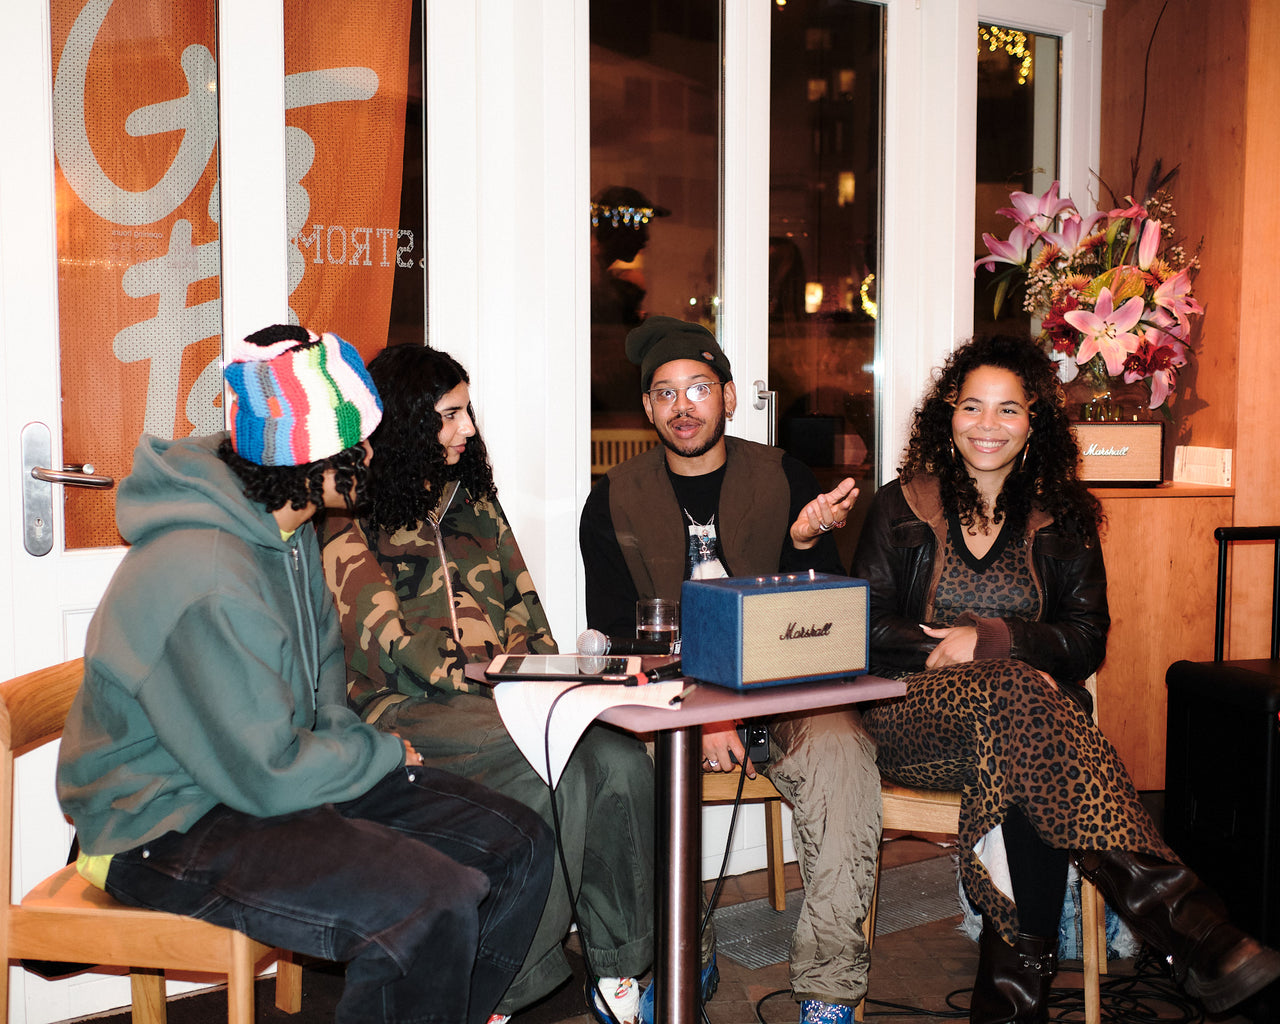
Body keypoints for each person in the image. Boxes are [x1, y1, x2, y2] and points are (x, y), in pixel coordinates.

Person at [56, 324, 553, 1024]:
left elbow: (323, 700)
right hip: (160, 823)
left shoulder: (288, 536)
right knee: (425, 901)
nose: (378, 456)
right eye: (364, 443)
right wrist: (380, 754)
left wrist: (363, 751)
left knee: (518, 841)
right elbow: (266, 771)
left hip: (256, 784)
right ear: (314, 457)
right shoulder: (209, 575)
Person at [850, 334, 1280, 1022]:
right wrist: (984, 655)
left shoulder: (1065, 515)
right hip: (913, 718)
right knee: (1021, 698)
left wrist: (993, 641)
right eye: (972, 406)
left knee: (1024, 748)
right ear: (948, 414)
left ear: (1034, 422)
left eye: (1008, 409)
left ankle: (1012, 1002)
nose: (987, 424)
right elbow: (863, 625)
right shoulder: (900, 505)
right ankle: (1189, 924)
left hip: (1026, 729)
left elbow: (1086, 641)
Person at [320, 343, 655, 1024]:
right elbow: (384, 638)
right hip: (403, 707)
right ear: (405, 420)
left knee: (621, 759)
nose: (467, 428)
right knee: (556, 765)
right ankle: (501, 986)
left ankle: (620, 966)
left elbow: (526, 607)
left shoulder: (475, 504)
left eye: (467, 412)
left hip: (501, 699)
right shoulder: (349, 512)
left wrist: (559, 679)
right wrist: (483, 678)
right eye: (450, 414)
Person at [579, 315, 882, 1024]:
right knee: (621, 772)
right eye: (664, 393)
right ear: (648, 408)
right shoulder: (615, 497)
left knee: (843, 756)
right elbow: (620, 635)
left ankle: (829, 991)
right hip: (671, 702)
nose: (682, 407)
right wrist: (706, 711)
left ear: (730, 396)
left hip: (787, 697)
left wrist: (804, 543)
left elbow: (823, 620)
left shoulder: (781, 476)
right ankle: (686, 954)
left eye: (698, 388)